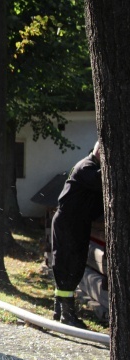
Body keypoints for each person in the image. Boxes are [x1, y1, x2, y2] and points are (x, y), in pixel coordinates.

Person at [51, 141, 103, 329]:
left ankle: (60, 310)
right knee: (68, 264)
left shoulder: (90, 166)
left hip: (76, 222)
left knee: (73, 264)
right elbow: (102, 181)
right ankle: (67, 314)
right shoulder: (87, 167)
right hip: (69, 222)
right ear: (99, 152)